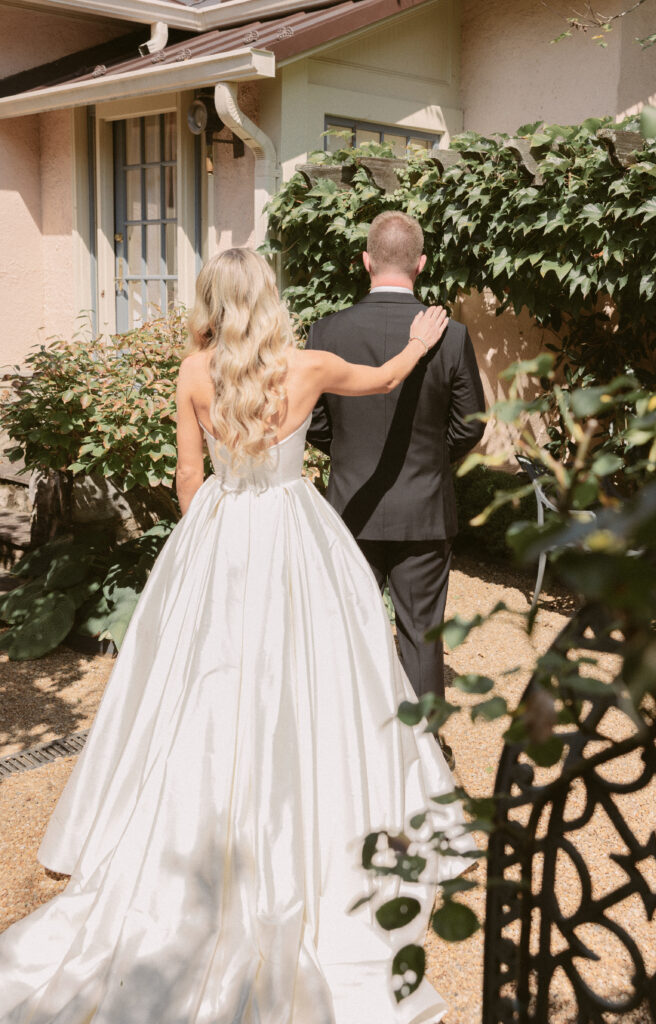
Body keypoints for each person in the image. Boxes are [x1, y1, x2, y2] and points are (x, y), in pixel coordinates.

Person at [0, 248, 475, 1024]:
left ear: (213, 302)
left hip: (221, 530)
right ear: (271, 296)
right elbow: (385, 380)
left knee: (202, 680)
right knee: (319, 668)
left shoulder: (194, 373)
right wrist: (420, 342)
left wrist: (209, 540)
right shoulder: (310, 365)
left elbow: (188, 479)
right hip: (295, 528)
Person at [306, 212, 486, 767]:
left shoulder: (327, 331)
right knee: (422, 635)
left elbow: (312, 422)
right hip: (424, 511)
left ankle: (349, 752)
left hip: (350, 509)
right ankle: (426, 758)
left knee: (348, 635)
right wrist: (431, 462)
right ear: (421, 264)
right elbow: (472, 424)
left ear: (365, 261)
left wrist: (346, 454)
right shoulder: (450, 334)